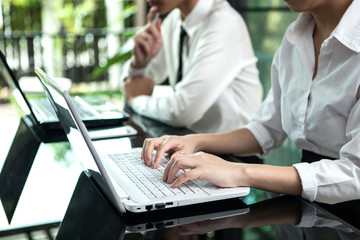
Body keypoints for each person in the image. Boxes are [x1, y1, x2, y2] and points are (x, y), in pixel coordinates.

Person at [141, 0, 360, 204]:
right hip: (304, 203)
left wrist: (238, 172)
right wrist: (194, 142)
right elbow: (265, 129)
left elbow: (356, 173)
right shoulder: (295, 37)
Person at [120, 0, 263, 133]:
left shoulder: (223, 22)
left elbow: (182, 112)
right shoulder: (174, 21)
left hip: (234, 156)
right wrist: (139, 64)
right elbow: (134, 85)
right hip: (192, 145)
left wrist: (135, 100)